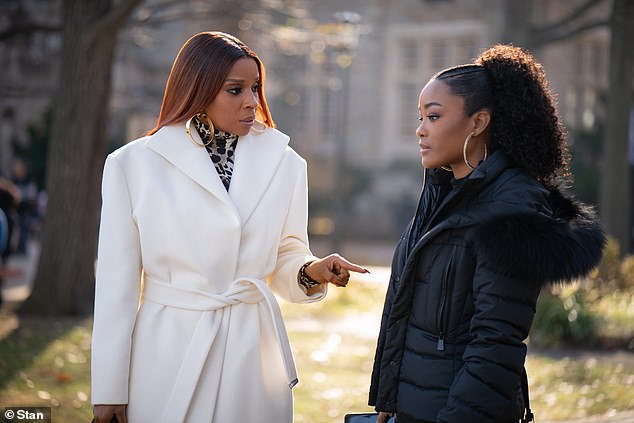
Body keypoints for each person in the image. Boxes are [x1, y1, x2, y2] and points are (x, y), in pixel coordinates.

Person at [91, 31, 369, 423]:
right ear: (198, 89)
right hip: (165, 353)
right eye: (235, 90)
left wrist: (311, 271)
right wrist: (109, 389)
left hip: (251, 355)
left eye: (255, 88)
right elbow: (115, 289)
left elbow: (288, 255)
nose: (252, 101)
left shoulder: (286, 163)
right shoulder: (132, 165)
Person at [369, 45, 606, 423]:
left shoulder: (509, 211)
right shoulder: (442, 195)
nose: (420, 129)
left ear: (478, 123)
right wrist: (390, 399)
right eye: (420, 117)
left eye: (433, 116)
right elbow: (407, 312)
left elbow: (495, 345)